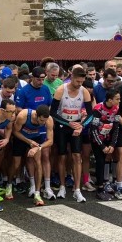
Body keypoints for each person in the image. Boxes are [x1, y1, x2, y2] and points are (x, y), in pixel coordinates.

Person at [51, 66, 92, 203]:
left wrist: (81, 125)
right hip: (62, 125)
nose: (79, 84)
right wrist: (68, 124)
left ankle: (77, 189)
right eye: (77, 81)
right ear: (72, 78)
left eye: (82, 82)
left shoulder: (84, 91)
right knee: (62, 156)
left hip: (76, 126)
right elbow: (52, 112)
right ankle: (62, 186)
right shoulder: (61, 90)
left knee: (77, 156)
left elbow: (91, 114)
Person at [11, 105, 54, 205]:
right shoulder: (23, 116)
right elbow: (15, 131)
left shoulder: (49, 120)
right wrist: (28, 141)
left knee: (38, 162)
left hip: (36, 138)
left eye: (44, 121)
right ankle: (9, 184)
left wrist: (38, 147)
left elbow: (50, 141)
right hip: (21, 137)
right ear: (36, 115)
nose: (43, 123)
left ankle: (37, 193)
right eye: (41, 120)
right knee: (16, 164)